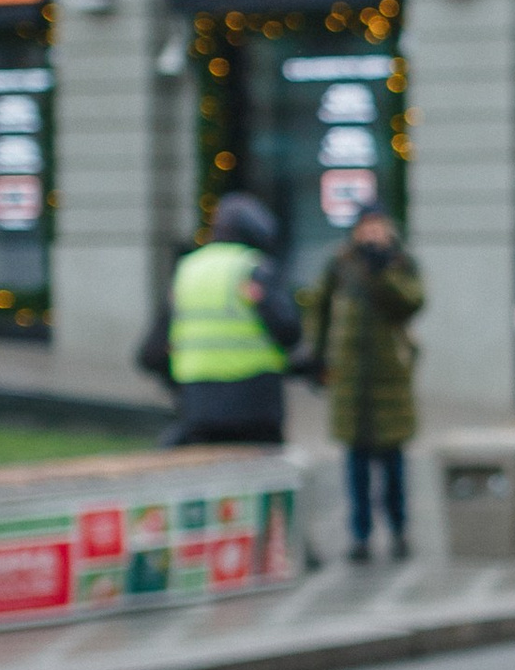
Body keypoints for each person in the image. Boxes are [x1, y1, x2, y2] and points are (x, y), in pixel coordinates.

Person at [305, 207, 426, 563]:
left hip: (390, 379)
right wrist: (318, 357)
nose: (372, 234)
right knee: (355, 464)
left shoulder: (401, 264)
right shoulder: (341, 263)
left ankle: (399, 530)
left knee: (394, 464)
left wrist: (382, 271)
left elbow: (413, 302)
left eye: (379, 226)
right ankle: (360, 535)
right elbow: (320, 308)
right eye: (367, 227)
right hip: (351, 381)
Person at [141, 195, 303, 449]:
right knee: (261, 480)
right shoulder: (254, 268)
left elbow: (151, 352)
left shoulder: (188, 269)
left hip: (198, 404)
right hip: (255, 403)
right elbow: (289, 332)